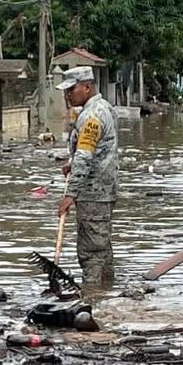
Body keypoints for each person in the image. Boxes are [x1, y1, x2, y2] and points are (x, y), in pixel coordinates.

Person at [56, 65, 118, 287]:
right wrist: (72, 164)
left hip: (93, 194)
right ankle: (108, 293)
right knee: (103, 249)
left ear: (87, 87)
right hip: (104, 191)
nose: (67, 95)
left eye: (71, 90)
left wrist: (70, 194)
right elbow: (96, 150)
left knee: (91, 252)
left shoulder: (91, 115)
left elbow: (85, 156)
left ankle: (92, 298)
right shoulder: (105, 108)